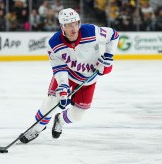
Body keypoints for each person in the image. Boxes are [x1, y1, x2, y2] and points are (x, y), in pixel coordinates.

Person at [19, 8, 119, 143]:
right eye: (69, 25)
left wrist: (108, 55)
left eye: (76, 23)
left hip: (89, 78)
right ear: (62, 27)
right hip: (69, 74)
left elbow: (114, 35)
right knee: (51, 101)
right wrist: (63, 88)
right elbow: (59, 68)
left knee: (78, 116)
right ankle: (37, 128)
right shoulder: (54, 43)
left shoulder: (91, 31)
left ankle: (60, 119)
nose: (74, 28)